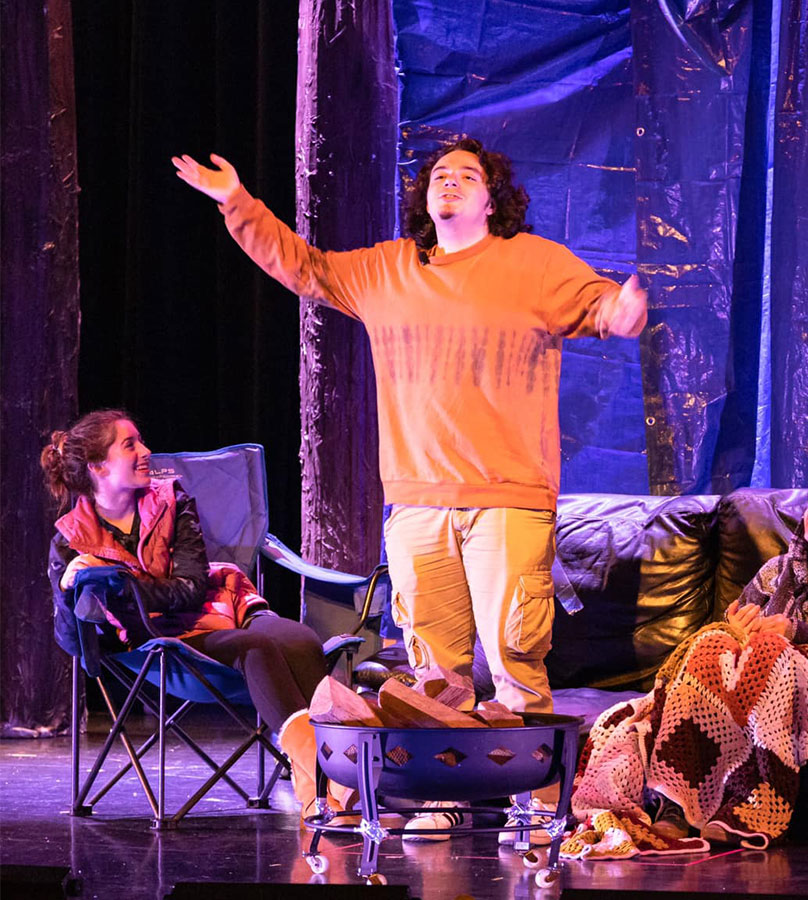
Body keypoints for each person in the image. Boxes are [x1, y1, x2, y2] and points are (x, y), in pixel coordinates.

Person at [173, 138, 647, 837]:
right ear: (426, 197)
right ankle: (442, 795)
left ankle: (540, 808)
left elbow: (599, 305)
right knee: (434, 675)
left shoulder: (534, 264)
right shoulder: (388, 270)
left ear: (492, 198)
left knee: (516, 657)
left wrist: (622, 311)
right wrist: (237, 205)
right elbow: (304, 268)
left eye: (467, 176)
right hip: (417, 502)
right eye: (439, 176)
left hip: (507, 497)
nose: (450, 183)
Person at [564, 466, 808, 857]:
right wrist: (736, 627)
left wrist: (801, 635)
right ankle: (676, 806)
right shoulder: (776, 571)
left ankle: (748, 805)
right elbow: (731, 630)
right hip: (743, 683)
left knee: (771, 652)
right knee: (712, 642)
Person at [42, 409, 340, 822]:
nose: (146, 451)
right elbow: (76, 643)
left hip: (222, 605)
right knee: (255, 647)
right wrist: (68, 589)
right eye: (130, 445)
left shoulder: (172, 500)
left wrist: (123, 583)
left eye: (140, 440)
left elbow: (191, 587)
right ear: (98, 467)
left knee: (302, 639)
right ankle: (325, 787)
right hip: (161, 642)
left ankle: (326, 784)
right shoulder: (70, 542)